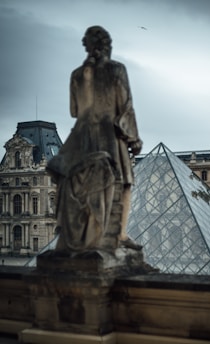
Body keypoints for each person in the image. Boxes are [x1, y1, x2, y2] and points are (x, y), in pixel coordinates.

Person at [47, 26, 142, 252]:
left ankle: (84, 234)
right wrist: (133, 138)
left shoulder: (77, 75)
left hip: (80, 137)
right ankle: (119, 234)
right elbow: (125, 106)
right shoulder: (117, 70)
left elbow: (74, 110)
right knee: (125, 182)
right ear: (107, 44)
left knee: (81, 186)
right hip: (109, 134)